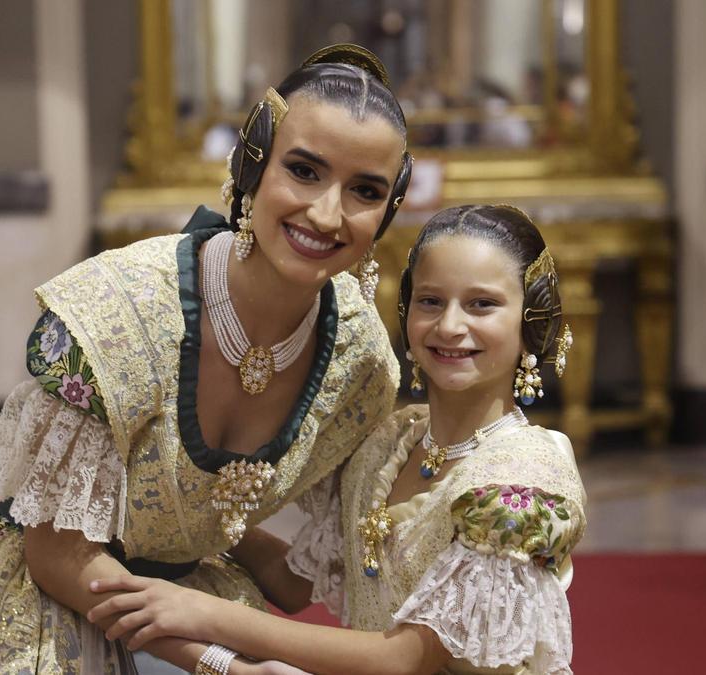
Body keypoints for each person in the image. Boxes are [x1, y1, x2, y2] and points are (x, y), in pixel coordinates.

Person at [0, 44, 413, 675]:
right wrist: (223, 662)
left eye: (365, 190)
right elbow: (58, 556)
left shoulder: (362, 363)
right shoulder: (118, 309)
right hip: (34, 581)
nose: (327, 214)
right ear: (254, 163)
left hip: (183, 591)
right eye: (304, 170)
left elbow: (311, 573)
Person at [86, 205, 587, 675]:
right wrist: (171, 517)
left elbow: (408, 658)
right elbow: (294, 582)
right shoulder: (387, 442)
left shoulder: (525, 480)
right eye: (431, 301)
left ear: (531, 323)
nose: (450, 326)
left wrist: (206, 615)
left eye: (482, 305)